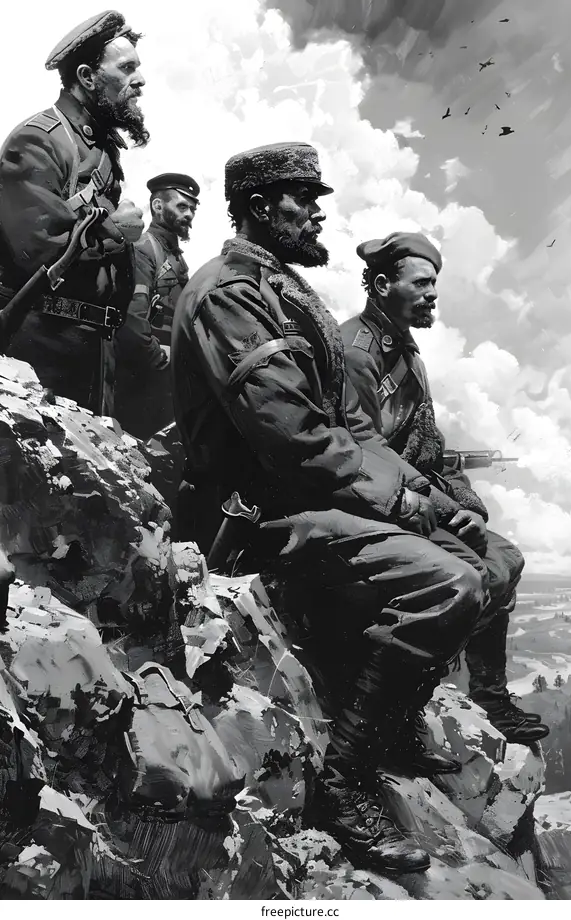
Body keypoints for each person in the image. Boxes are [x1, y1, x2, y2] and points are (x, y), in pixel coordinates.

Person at [171, 141, 490, 876]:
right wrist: (398, 502)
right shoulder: (228, 294)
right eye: (301, 199)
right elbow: (297, 440)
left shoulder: (282, 292)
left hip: (306, 502)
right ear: (259, 209)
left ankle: (391, 726)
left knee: (483, 564)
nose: (316, 210)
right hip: (251, 518)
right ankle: (343, 787)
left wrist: (425, 499)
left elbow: (348, 427)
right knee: (450, 582)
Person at [340, 232, 549, 744]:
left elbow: (429, 443)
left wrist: (467, 505)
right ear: (383, 284)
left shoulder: (408, 355)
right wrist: (437, 503)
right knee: (473, 575)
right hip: (374, 497)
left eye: (436, 284)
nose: (433, 294)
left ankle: (491, 698)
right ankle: (402, 711)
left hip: (415, 495)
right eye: (422, 283)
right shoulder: (354, 349)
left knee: (508, 560)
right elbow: (362, 445)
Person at [0, 10, 147, 415]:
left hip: (89, 350)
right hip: (39, 353)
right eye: (127, 68)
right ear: (86, 77)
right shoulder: (38, 140)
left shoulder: (100, 148)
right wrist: (115, 232)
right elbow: (40, 251)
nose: (140, 80)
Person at [115, 173, 199, 440]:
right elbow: (132, 321)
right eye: (182, 207)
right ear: (158, 206)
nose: (189, 215)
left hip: (167, 377)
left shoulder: (176, 258)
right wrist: (162, 365)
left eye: (193, 209)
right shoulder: (143, 248)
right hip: (142, 378)